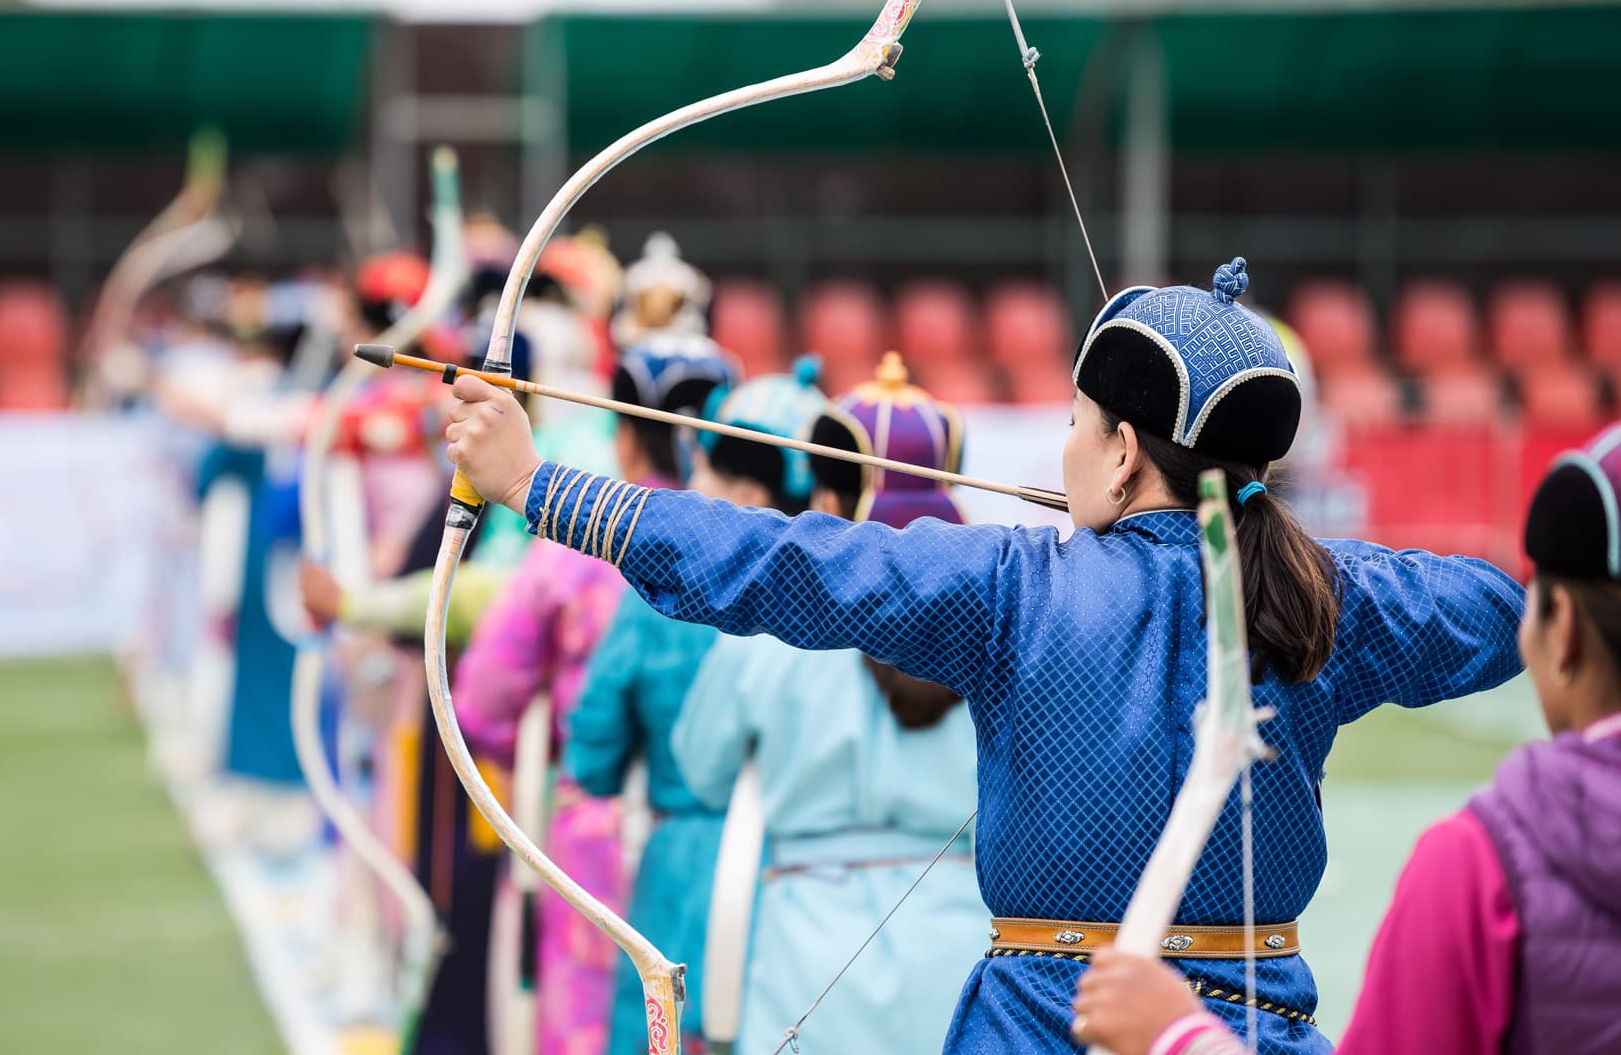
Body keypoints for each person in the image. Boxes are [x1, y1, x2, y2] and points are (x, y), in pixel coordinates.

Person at [439, 258, 1527, 1054]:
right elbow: (1505, 610)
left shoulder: (1015, 584)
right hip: (1249, 1029)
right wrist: (1315, 563)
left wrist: (541, 485)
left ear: (1116, 449)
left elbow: (783, 562)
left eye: (1075, 420)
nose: (1064, 446)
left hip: (1042, 1028)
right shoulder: (1325, 596)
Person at [1071, 423, 1621, 1055]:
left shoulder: (1479, 865)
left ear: (1566, 632)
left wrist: (1177, 1036)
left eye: (1074, 422)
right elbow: (1498, 606)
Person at [671, 353, 994, 1055]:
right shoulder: (1002, 623)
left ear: (827, 500)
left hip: (808, 952)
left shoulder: (766, 628)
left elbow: (700, 768)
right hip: (961, 946)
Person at [453, 336, 736, 1055]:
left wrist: (555, 759)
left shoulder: (576, 542)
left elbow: (483, 701)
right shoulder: (752, 546)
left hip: (599, 830)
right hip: (740, 844)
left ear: (623, 431)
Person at [567, 361, 833, 1055]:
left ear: (746, 492)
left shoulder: (659, 592)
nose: (690, 491)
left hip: (686, 868)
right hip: (815, 878)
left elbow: (592, 747)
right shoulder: (842, 595)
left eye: (706, 476)